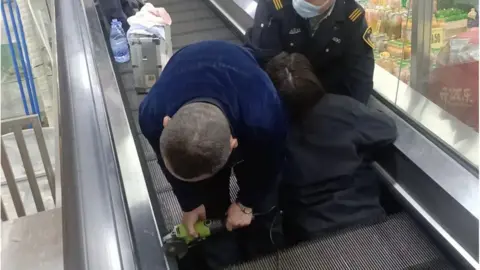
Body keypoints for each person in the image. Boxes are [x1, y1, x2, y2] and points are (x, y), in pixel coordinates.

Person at [139, 40, 286, 269]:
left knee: (263, 204)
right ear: (166, 124)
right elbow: (171, 165)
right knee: (210, 204)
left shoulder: (264, 115)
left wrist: (247, 203)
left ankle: (260, 253)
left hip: (239, 70)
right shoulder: (152, 114)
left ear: (234, 143)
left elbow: (270, 164)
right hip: (189, 64)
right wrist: (191, 202)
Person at [265, 52, 397, 245]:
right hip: (367, 220)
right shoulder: (343, 109)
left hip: (310, 234)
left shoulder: (272, 129)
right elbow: (387, 130)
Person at [246, 0, 374, 104]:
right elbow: (264, 63)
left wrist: (352, 118)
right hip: (282, 94)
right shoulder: (273, 5)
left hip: (328, 99)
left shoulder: (352, 15)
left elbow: (360, 77)